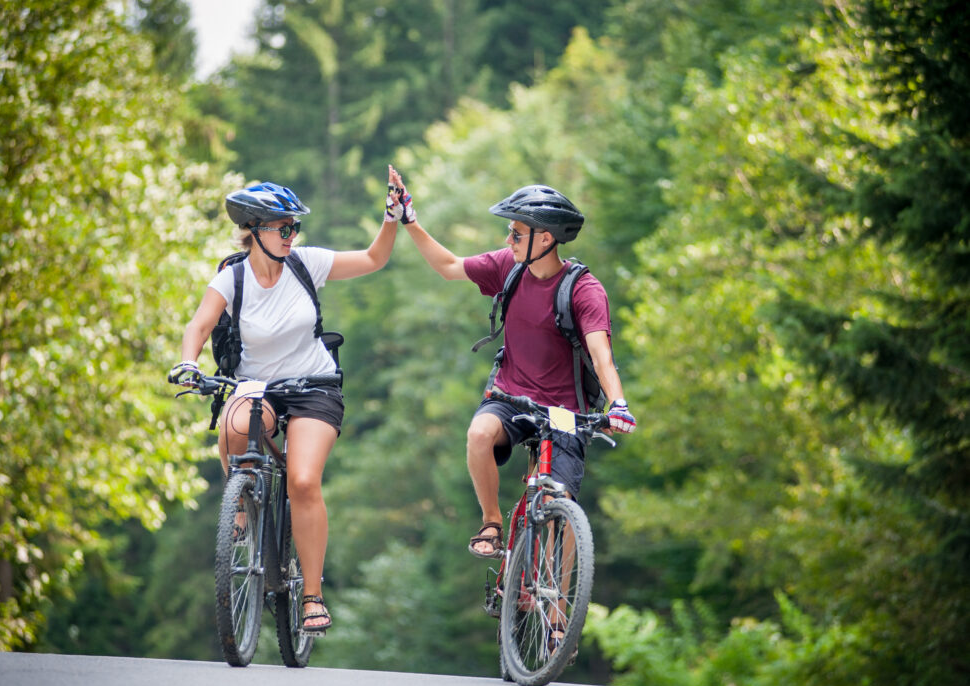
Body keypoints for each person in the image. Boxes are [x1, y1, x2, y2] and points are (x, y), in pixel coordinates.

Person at [168, 169, 404, 633]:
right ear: (254, 231)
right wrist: (188, 363)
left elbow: (376, 258)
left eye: (294, 227)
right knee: (234, 426)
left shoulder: (306, 264)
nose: (292, 235)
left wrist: (391, 216)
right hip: (259, 386)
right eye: (284, 228)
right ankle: (241, 504)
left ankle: (312, 595)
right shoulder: (231, 279)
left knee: (302, 481)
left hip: (314, 384)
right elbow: (197, 326)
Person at [389, 167, 636, 563]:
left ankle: (558, 620)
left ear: (546, 237)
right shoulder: (509, 267)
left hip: (565, 411)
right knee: (479, 434)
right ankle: (491, 523)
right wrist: (410, 221)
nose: (508, 239)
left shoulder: (584, 290)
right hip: (511, 396)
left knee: (563, 509)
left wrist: (617, 403)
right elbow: (450, 266)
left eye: (516, 233)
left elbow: (600, 352)